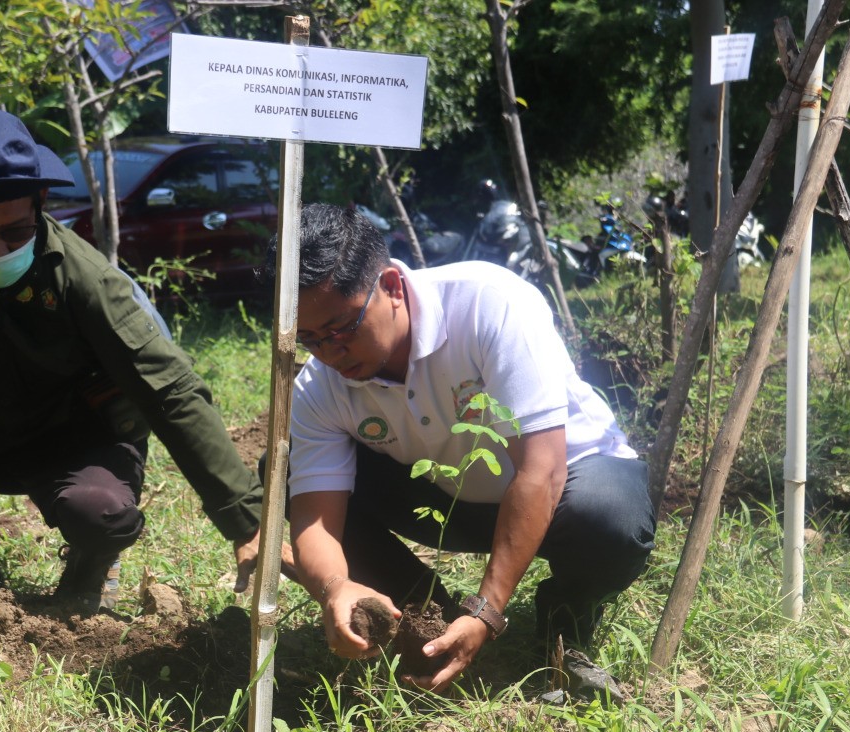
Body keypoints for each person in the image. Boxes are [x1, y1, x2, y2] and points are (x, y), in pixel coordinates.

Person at [0, 107, 278, 611]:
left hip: (78, 436)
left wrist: (247, 522)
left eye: (15, 231)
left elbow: (170, 390)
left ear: (40, 203)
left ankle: (90, 569)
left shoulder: (85, 276)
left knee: (102, 515)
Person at [275, 203, 655, 691]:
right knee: (284, 472)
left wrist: (489, 609)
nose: (329, 353)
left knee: (610, 520)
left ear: (391, 287)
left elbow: (542, 472)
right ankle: (426, 613)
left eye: (341, 329)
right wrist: (334, 587)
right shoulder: (318, 385)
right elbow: (316, 517)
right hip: (451, 494)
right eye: (310, 339)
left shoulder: (487, 304)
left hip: (566, 482)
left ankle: (565, 617)